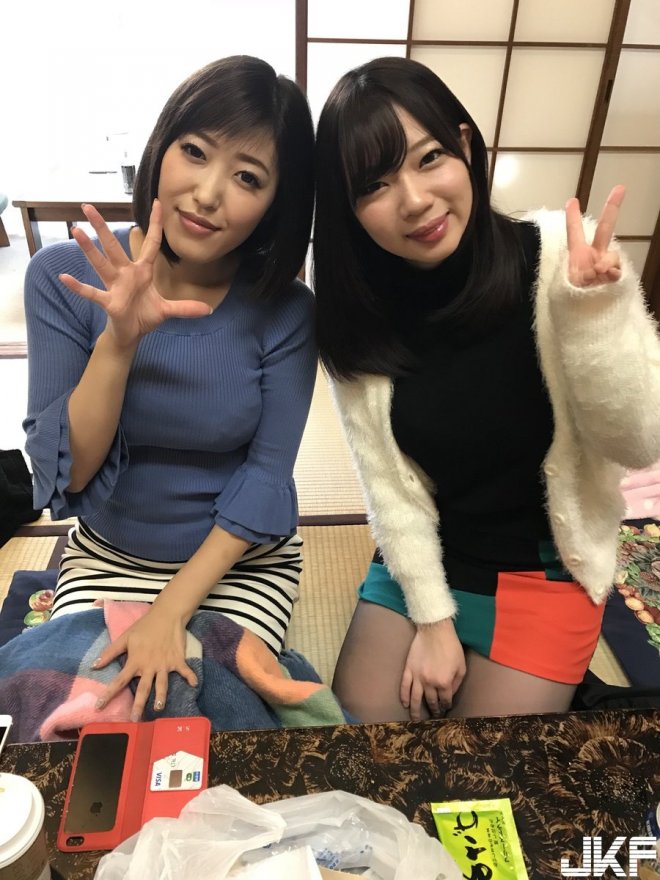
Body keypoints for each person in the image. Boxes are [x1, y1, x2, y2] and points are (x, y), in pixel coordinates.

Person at [312, 56, 660, 722]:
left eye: (429, 158)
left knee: (483, 762)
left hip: (547, 569)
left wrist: (594, 315)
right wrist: (432, 620)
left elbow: (639, 443)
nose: (415, 200)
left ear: (466, 147)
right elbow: (389, 490)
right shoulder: (357, 315)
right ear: (348, 209)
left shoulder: (563, 260)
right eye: (375, 184)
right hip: (424, 557)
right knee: (362, 733)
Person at [24, 56, 317, 722]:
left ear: (277, 202)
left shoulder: (287, 312)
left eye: (247, 177)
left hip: (236, 562)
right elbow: (73, 473)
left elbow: (266, 477)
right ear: (162, 148)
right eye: (195, 152)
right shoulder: (63, 278)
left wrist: (169, 613)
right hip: (107, 555)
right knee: (76, 712)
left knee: (207, 708)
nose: (208, 193)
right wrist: (119, 339)